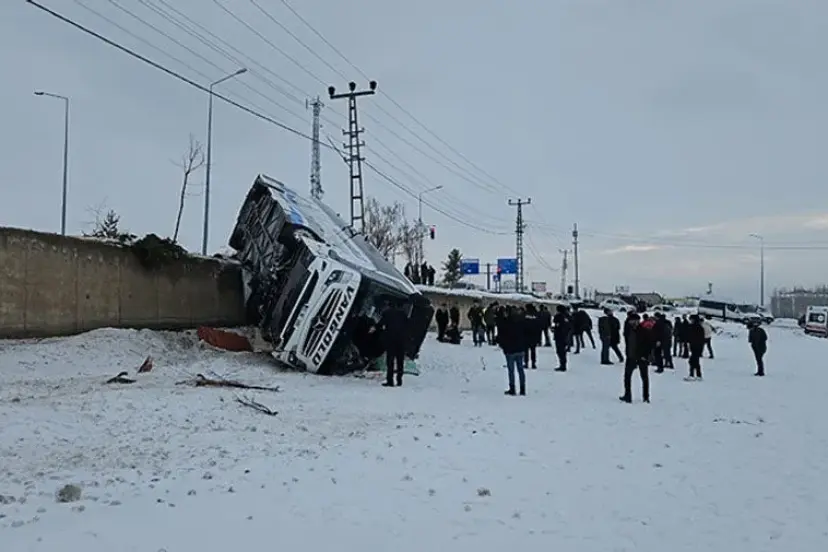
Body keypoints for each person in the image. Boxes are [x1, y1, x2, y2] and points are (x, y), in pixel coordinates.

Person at [619, 312, 651, 403]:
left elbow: (649, 345)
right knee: (627, 377)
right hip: (631, 356)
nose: (631, 322)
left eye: (633, 321)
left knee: (644, 377)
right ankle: (627, 395)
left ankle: (646, 397)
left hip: (641, 357)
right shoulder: (629, 331)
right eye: (630, 321)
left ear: (637, 321)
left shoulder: (644, 331)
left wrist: (645, 356)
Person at [377, 299, 409, 387]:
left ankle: (390, 381)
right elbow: (407, 326)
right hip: (401, 340)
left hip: (390, 340)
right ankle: (399, 380)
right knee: (400, 361)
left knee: (390, 361)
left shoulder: (387, 313)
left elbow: (380, 324)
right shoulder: (403, 314)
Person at [497, 306, 527, 396]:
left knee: (511, 370)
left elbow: (502, 336)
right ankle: (522, 389)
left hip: (510, 350)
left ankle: (512, 388)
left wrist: (503, 346)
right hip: (520, 348)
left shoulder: (505, 322)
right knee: (520, 369)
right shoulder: (520, 321)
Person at [685, 314, 706, 381]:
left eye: (691, 319)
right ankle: (698, 375)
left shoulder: (694, 327)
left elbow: (692, 337)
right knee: (696, 361)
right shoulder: (699, 327)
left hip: (695, 346)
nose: (690, 320)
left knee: (692, 361)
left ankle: (692, 375)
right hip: (697, 346)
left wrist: (690, 343)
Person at [523, 304, 543, 369]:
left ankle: (526, 363)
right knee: (533, 350)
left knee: (526, 350)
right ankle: (533, 363)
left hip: (526, 335)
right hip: (534, 335)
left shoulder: (525, 314)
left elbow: (521, 323)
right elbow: (539, 325)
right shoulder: (537, 314)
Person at [553, 305, 571, 371]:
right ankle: (563, 365)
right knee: (563, 351)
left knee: (559, 351)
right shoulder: (568, 316)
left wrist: (554, 328)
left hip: (559, 336)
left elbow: (556, 324)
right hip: (566, 335)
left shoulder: (558, 316)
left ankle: (562, 365)